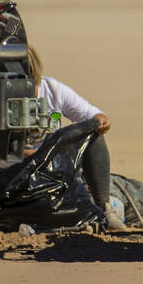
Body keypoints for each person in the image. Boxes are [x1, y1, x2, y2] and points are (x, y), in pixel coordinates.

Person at [26, 45, 124, 231]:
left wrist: (100, 121)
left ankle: (104, 208)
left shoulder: (52, 90)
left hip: (50, 168)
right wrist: (28, 154)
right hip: (12, 171)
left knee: (93, 133)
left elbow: (92, 115)